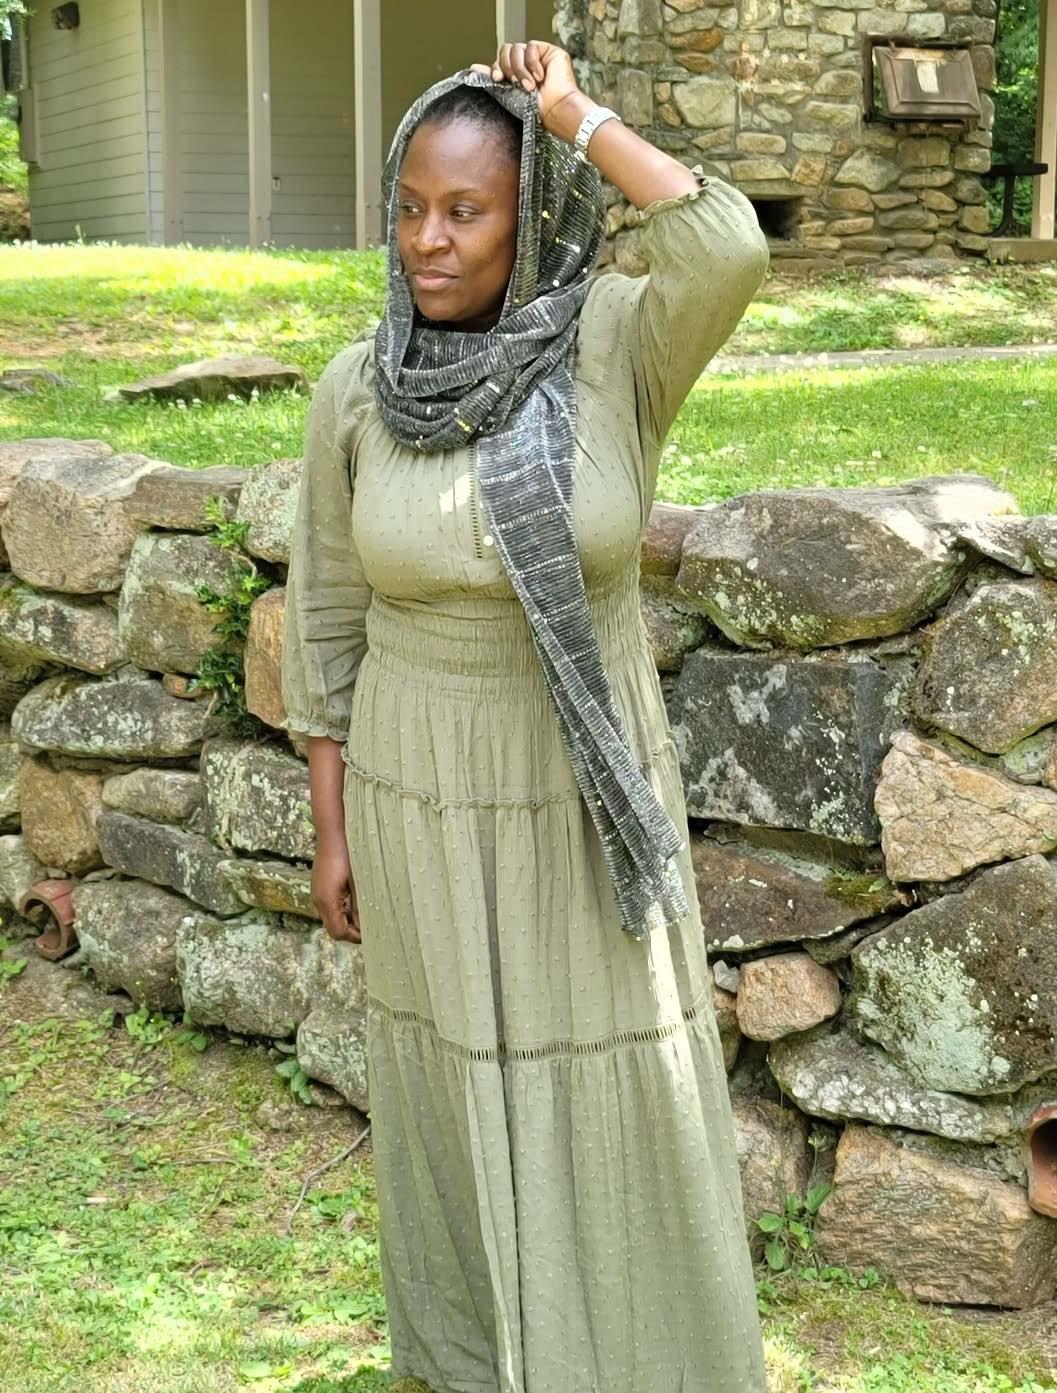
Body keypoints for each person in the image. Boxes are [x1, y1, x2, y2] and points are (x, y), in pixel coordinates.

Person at [281, 39, 771, 1393]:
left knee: (618, 1075)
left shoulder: (614, 344)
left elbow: (725, 245)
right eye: (410, 208)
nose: (427, 243)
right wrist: (333, 830)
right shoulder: (360, 389)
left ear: (532, 213)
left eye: (466, 210)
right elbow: (326, 623)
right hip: (417, 786)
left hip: (579, 787)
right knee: (448, 1082)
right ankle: (477, 1359)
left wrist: (573, 113)